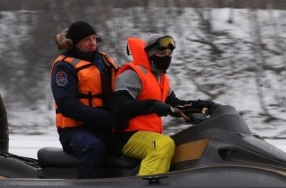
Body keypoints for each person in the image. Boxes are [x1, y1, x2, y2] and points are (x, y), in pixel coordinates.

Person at [110, 34, 217, 176]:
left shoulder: (161, 79)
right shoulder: (133, 74)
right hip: (126, 136)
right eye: (161, 53)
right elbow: (119, 106)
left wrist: (202, 105)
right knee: (162, 145)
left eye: (169, 53)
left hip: (148, 136)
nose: (166, 57)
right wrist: (152, 105)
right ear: (149, 54)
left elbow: (176, 105)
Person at [50, 21, 118, 178]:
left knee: (133, 141)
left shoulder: (104, 61)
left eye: (94, 38)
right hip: (75, 131)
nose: (93, 42)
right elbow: (67, 105)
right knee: (93, 147)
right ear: (74, 43)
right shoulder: (63, 67)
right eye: (87, 39)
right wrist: (107, 118)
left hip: (105, 126)